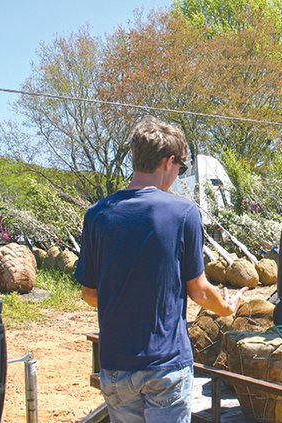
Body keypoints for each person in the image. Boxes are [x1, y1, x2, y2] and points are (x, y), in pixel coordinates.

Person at [75, 116, 246, 423]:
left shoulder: (96, 215)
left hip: (116, 365)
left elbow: (90, 294)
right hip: (166, 365)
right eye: (180, 167)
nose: (179, 174)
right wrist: (226, 308)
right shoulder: (184, 213)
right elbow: (199, 291)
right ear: (169, 161)